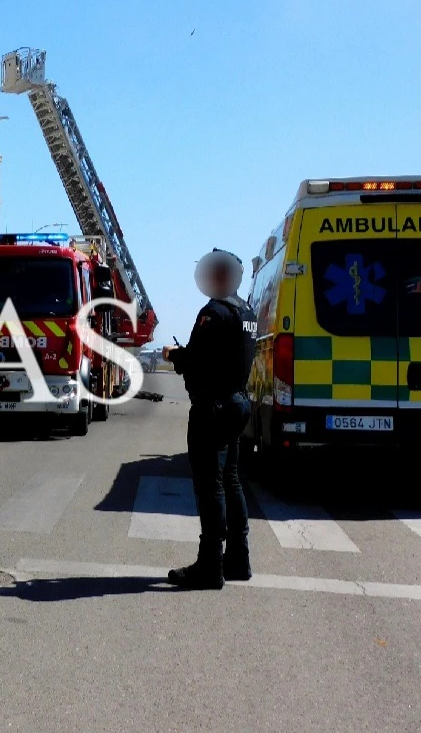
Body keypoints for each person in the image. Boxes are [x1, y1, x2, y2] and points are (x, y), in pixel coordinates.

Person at [162, 248, 258, 590]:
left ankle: (210, 564)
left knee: (210, 485)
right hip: (236, 403)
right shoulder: (245, 310)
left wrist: (176, 355)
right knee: (230, 481)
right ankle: (238, 558)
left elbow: (198, 360)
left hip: (213, 407)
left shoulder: (213, 313)